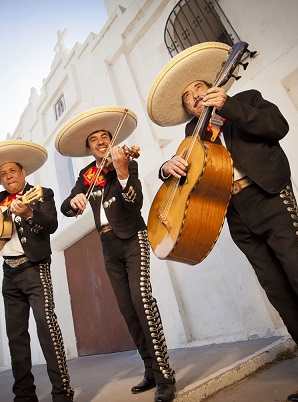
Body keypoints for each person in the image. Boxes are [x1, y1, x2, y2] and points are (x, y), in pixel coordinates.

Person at [147, 41, 298, 402]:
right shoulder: (189, 138)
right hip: (235, 215)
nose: (195, 96)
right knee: (282, 297)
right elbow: (191, 181)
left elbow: (278, 126)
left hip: (269, 197)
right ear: (186, 109)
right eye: (187, 96)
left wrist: (230, 106)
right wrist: (166, 168)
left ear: (213, 87)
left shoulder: (246, 100)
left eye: (199, 87)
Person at [55, 106, 176, 402]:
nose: (100, 141)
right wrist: (76, 201)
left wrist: (122, 172)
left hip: (133, 237)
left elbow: (133, 202)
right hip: (108, 244)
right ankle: (149, 369)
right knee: (127, 309)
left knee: (142, 301)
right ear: (88, 148)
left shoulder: (125, 160)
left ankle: (165, 375)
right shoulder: (87, 175)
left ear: (111, 141)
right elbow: (66, 207)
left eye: (105, 136)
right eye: (94, 139)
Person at [0, 140, 74, 402]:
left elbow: (51, 224)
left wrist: (28, 213)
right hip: (9, 274)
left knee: (47, 328)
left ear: (23, 173)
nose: (8, 176)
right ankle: (24, 396)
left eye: (12, 171)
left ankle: (62, 393)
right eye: (3, 174)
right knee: (16, 337)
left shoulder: (41, 193)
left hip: (35, 268)